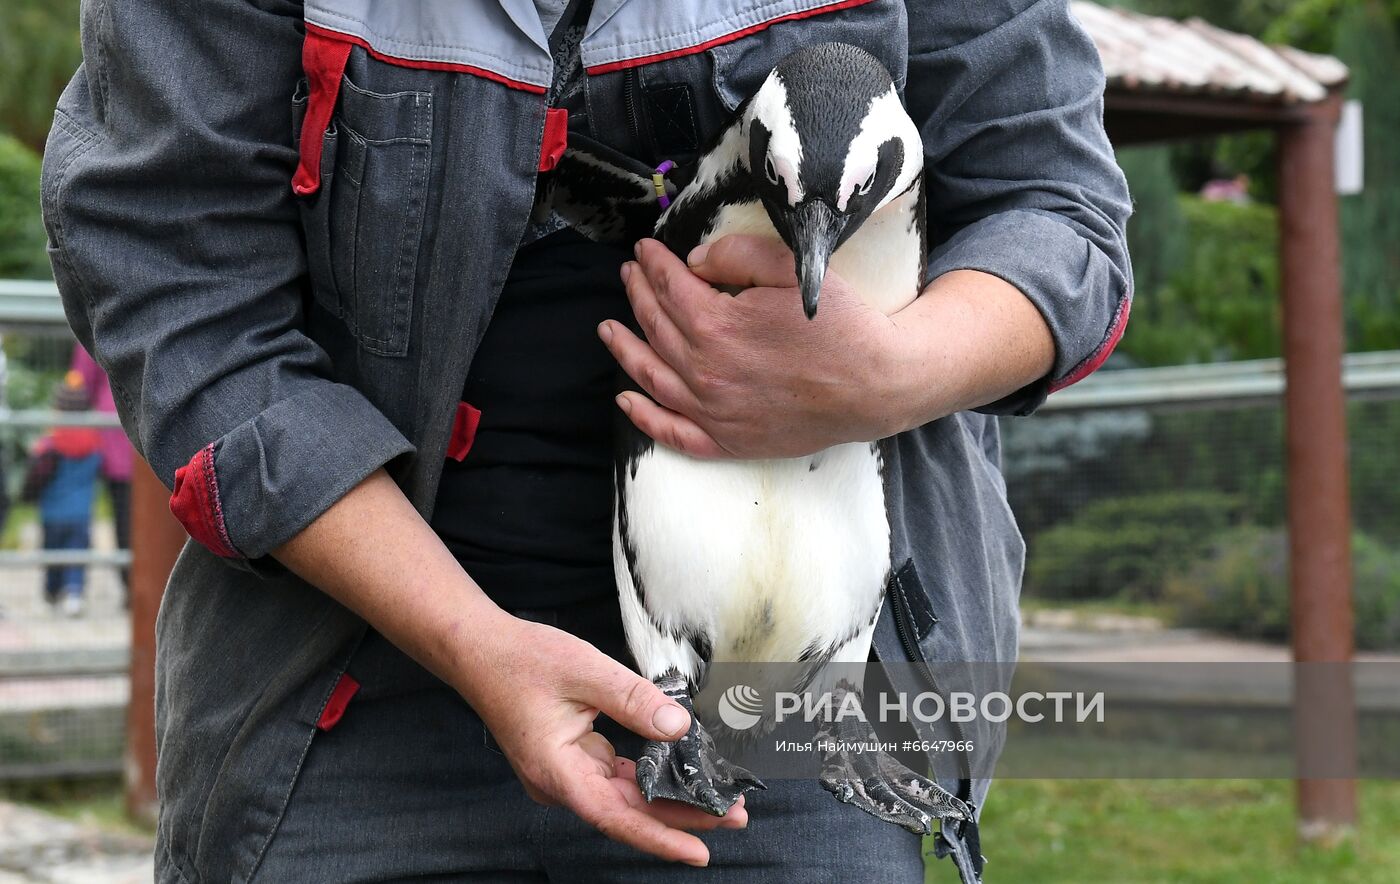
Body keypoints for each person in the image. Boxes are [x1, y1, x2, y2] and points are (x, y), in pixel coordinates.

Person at [41, 1, 1131, 881]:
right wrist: (471, 640)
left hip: (795, 711)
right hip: (345, 702)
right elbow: (182, 296)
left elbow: (1054, 206)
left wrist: (883, 374)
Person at [22, 371, 101, 618]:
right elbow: (99, 468)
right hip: (81, 512)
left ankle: (52, 591)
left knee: (52, 551)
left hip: (52, 512)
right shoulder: (94, 442)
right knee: (77, 553)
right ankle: (74, 594)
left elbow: (37, 473)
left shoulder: (50, 444)